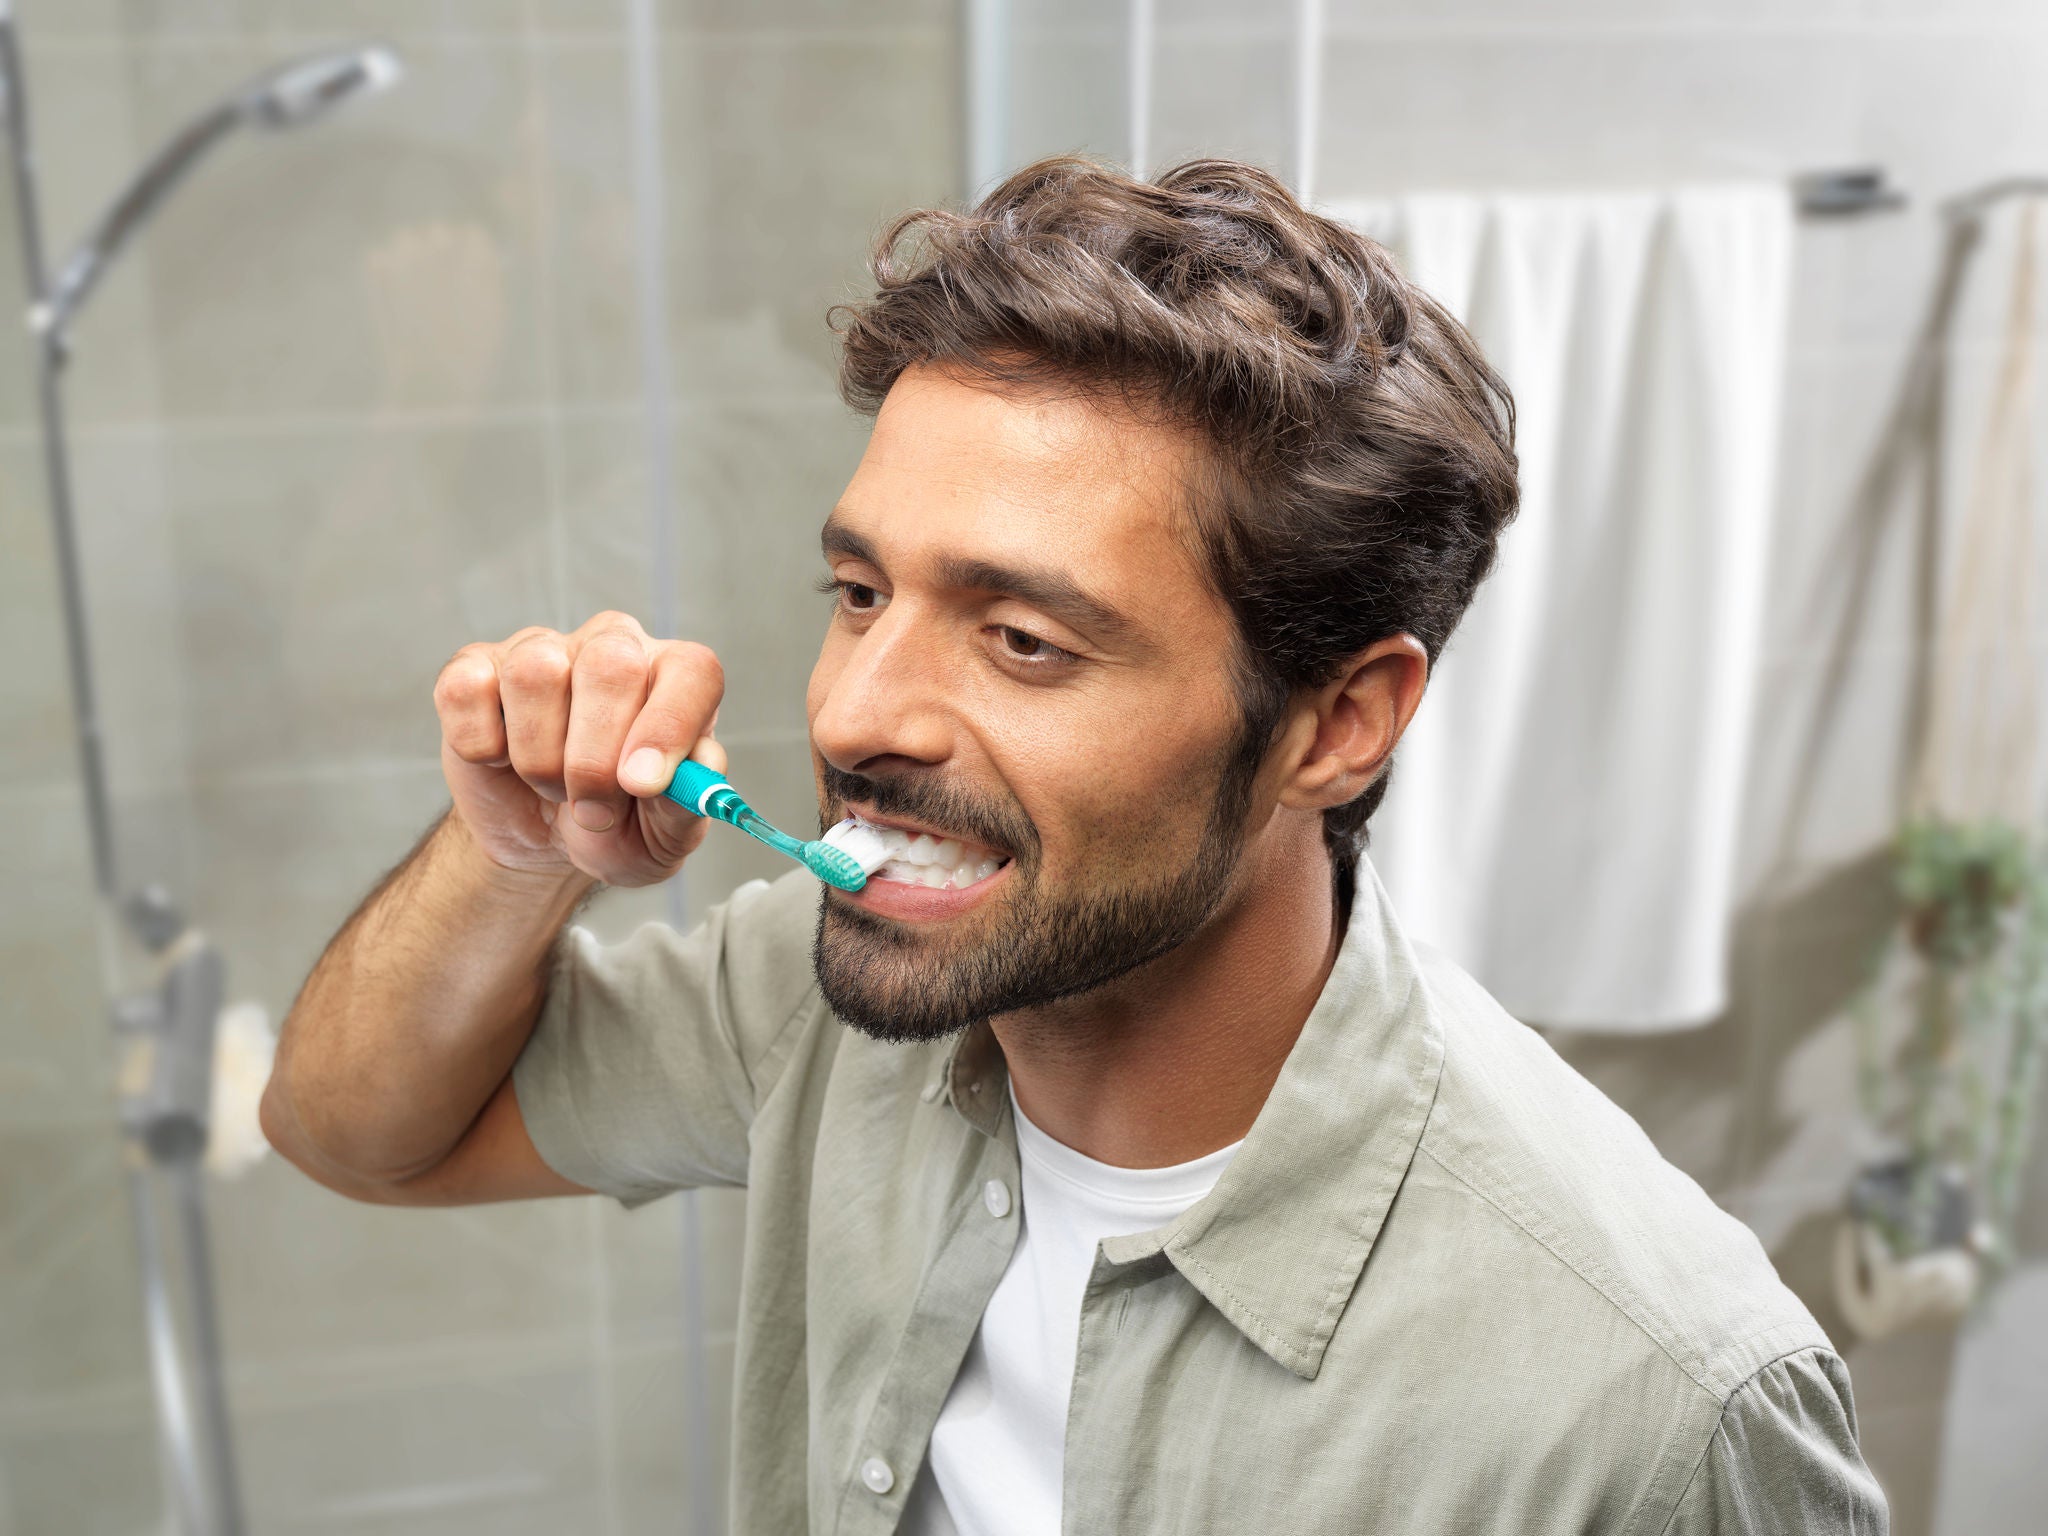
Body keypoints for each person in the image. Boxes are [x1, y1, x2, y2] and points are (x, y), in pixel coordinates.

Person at [263, 157, 1887, 1535]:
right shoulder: (828, 991)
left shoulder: (1654, 1405)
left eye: (1025, 639)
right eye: (860, 594)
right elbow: (359, 1136)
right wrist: (518, 852)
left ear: (1337, 725)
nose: (854, 713)